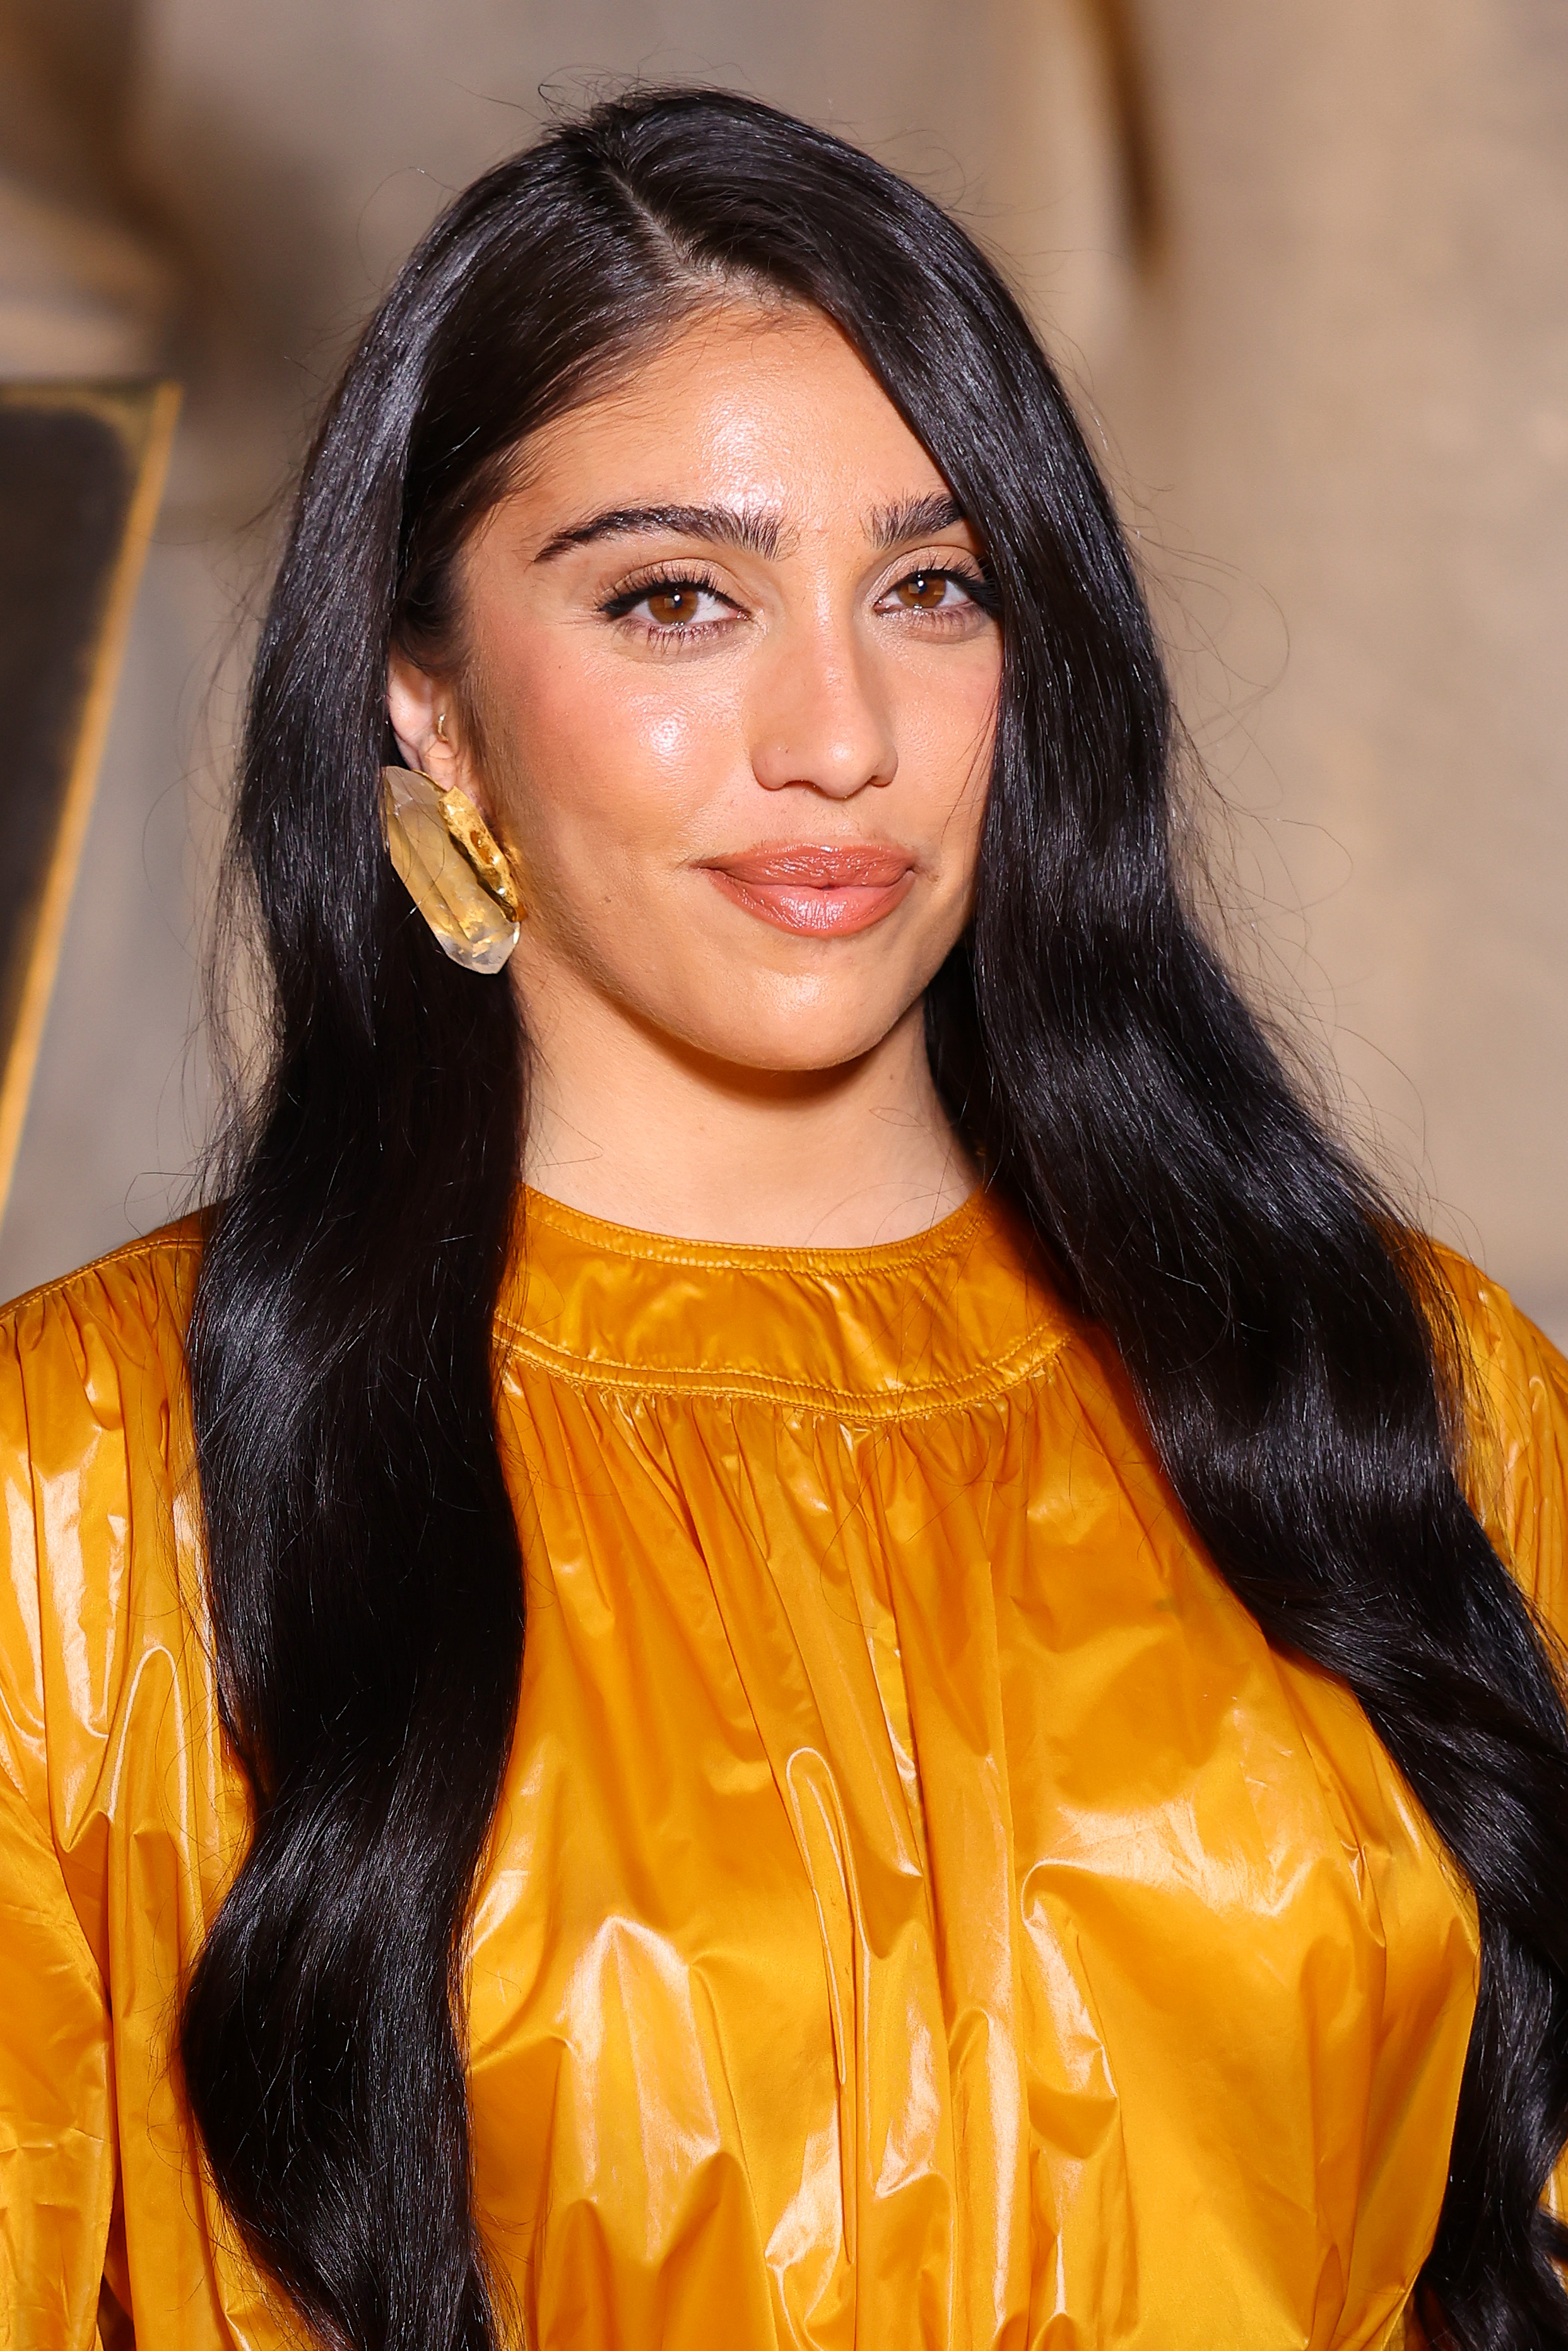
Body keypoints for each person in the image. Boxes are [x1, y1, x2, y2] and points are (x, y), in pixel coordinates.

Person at [1, 85, 1565, 2351]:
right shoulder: (84, 1496)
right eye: (675, 600)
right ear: (426, 703)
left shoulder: (1385, 1392)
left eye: (931, 589)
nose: (839, 733)